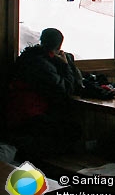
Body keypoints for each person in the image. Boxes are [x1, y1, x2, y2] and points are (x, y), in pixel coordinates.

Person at [6, 28, 82, 160]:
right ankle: (50, 167)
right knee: (72, 130)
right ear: (58, 46)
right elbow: (65, 89)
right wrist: (65, 65)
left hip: (16, 113)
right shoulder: (43, 64)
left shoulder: (29, 57)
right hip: (28, 116)